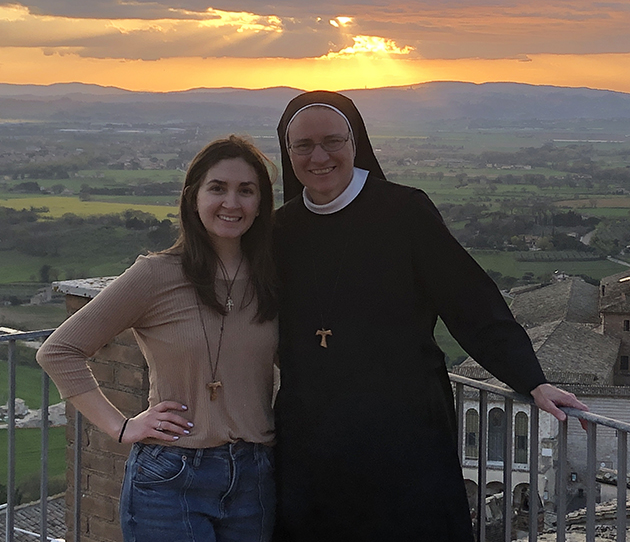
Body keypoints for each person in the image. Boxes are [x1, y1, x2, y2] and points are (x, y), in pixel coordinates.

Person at [272, 91, 587, 542]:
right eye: (303, 145)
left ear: (354, 142)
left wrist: (529, 379)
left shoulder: (404, 210)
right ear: (288, 153)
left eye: (332, 141)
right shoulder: (281, 230)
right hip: (312, 430)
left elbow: (468, 298)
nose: (319, 156)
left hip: (404, 425)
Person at [37, 135, 279, 542]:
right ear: (193, 198)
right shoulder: (155, 275)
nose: (232, 203)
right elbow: (59, 351)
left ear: (261, 203)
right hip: (172, 478)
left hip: (256, 477)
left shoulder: (271, 278)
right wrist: (120, 426)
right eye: (217, 188)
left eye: (246, 190)